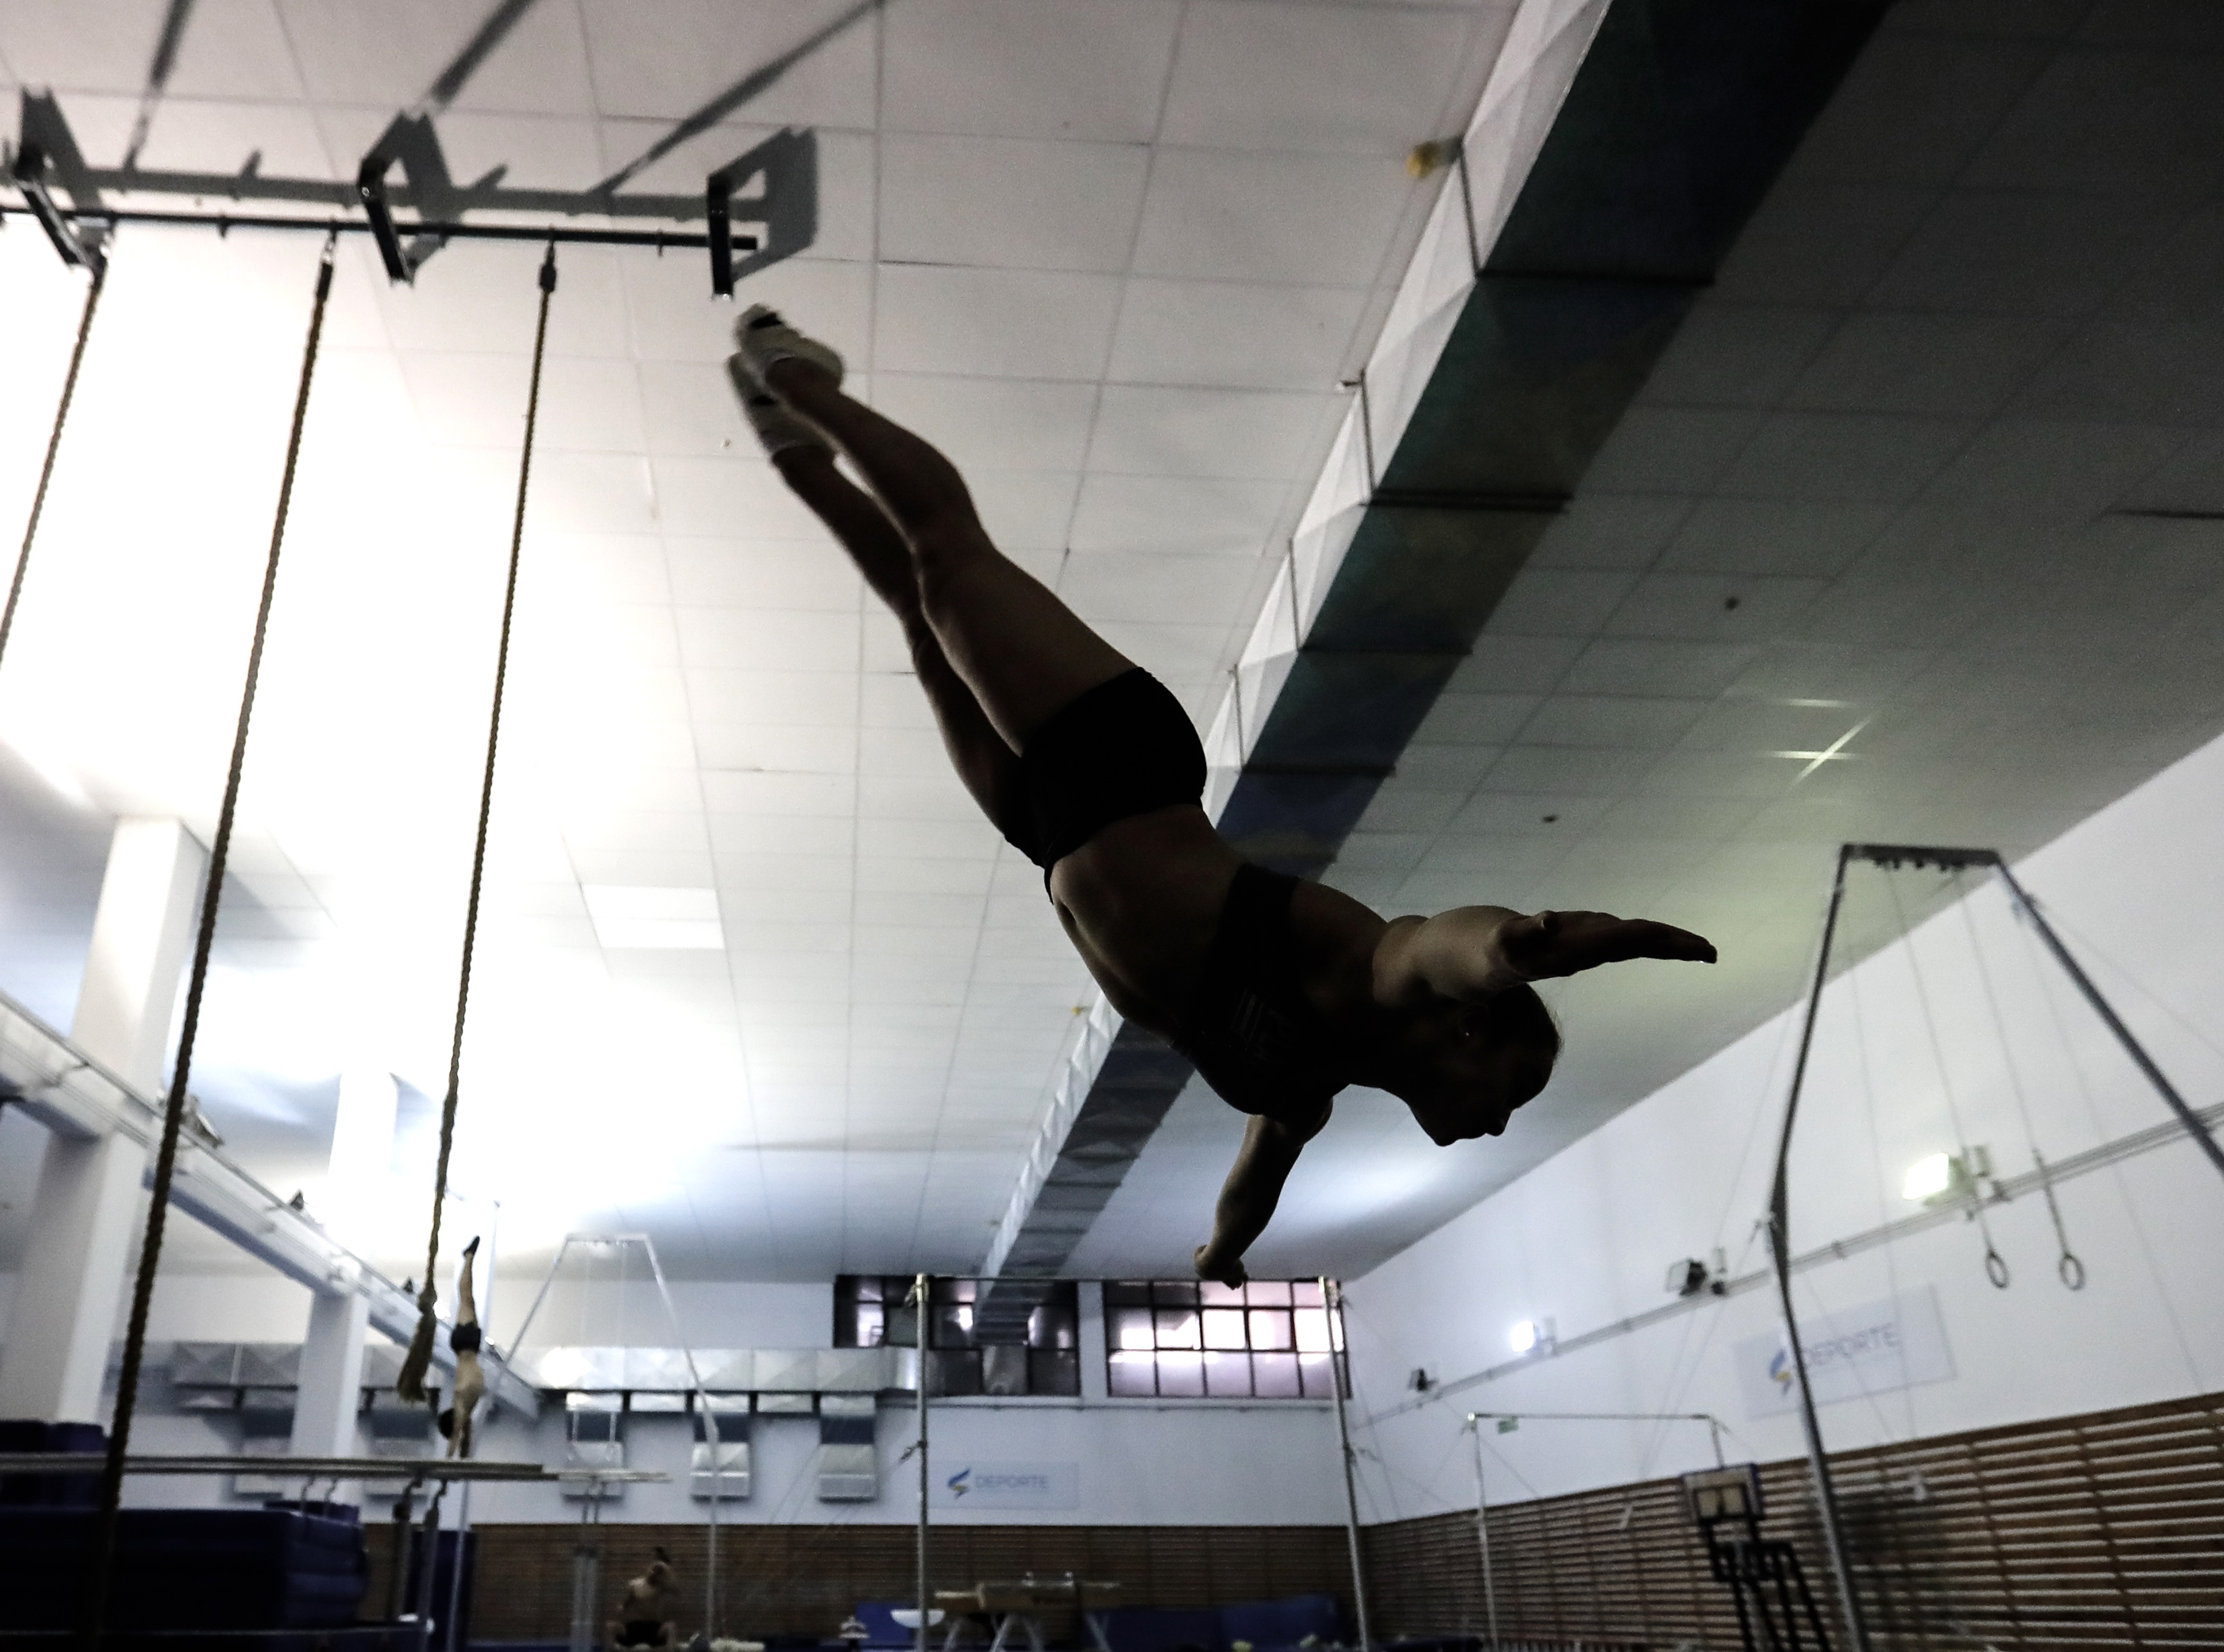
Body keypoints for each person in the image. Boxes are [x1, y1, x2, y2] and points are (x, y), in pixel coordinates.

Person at [726, 307, 1717, 1286]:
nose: (1496, 1122)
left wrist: (1222, 1250)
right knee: (947, 568)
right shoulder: (1384, 972)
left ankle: (790, 451)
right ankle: (804, 378)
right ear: (1471, 1024)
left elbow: (1254, 1181)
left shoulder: (1302, 1093)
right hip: (1123, 767)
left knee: (915, 612)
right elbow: (1472, 944)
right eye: (1515, 1092)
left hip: (1050, 829)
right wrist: (1573, 940)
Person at [431, 1236, 486, 1459]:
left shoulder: (462, 1405)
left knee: (466, 1296)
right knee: (467, 1298)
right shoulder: (467, 1413)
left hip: (466, 1344)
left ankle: (468, 1258)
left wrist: (446, 1462)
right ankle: (469, 1259)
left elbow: (457, 1439)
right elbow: (466, 1442)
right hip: (468, 1347)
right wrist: (461, 1465)